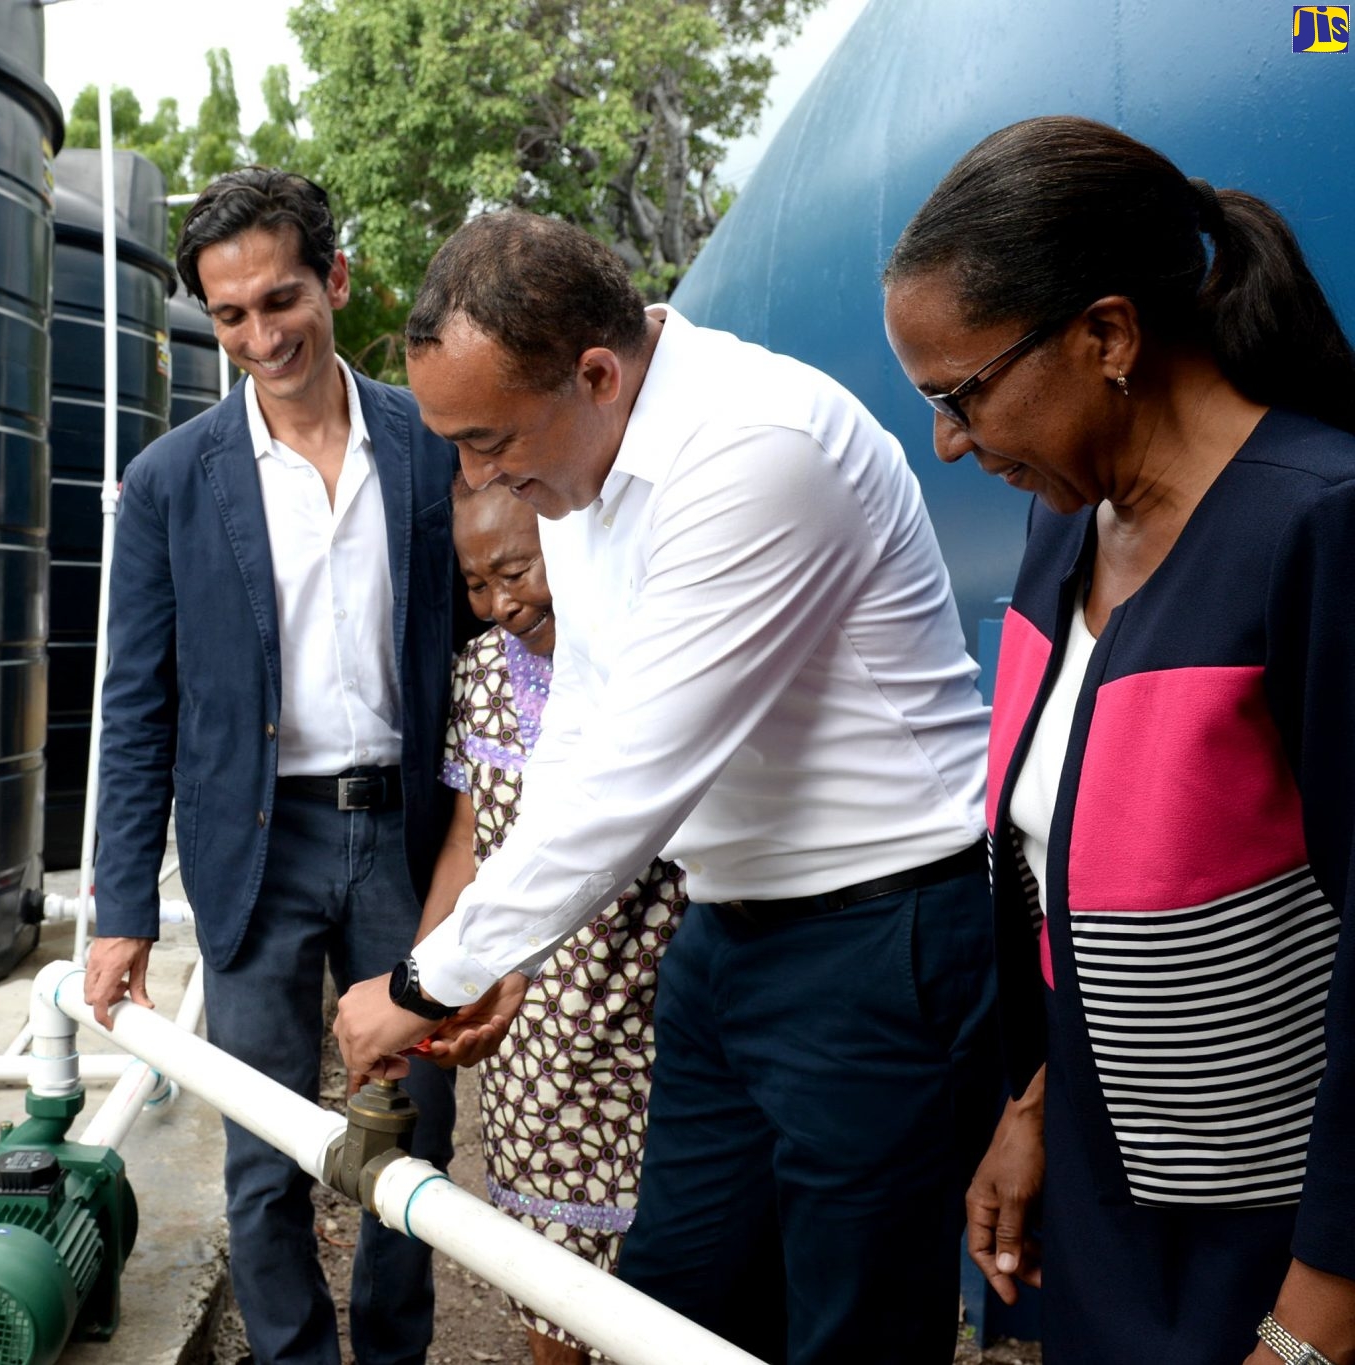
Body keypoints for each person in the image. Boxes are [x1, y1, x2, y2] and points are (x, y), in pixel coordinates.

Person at [332, 210, 999, 1365]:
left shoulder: (754, 445)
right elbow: (583, 726)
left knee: (852, 1325)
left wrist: (423, 977)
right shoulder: (583, 470)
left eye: (488, 438)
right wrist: (509, 952)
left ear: (595, 373)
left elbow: (639, 767)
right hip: (725, 936)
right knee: (668, 1308)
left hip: (876, 942)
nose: (479, 477)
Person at [882, 115, 1355, 1365]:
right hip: (1102, 1214)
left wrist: (1319, 1307)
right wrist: (1030, 1107)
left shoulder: (1317, 527)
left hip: (1265, 1245)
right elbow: (1061, 878)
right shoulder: (1064, 529)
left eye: (959, 395)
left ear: (1105, 335)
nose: (945, 442)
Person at [82, 167, 461, 1365]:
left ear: (334, 280)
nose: (259, 335)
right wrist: (119, 904)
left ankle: (392, 1353)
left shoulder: (428, 439)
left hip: (409, 832)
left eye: (279, 299)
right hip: (254, 839)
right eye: (229, 315)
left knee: (415, 1132)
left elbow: (491, 635)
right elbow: (134, 705)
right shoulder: (168, 483)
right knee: (263, 1143)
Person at [418, 471, 687, 1365]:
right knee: (541, 1262)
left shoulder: (634, 665)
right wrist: (426, 973)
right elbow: (467, 836)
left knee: (661, 1258)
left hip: (638, 1003)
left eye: (516, 570)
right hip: (523, 1026)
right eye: (476, 582)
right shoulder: (477, 675)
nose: (499, 601)